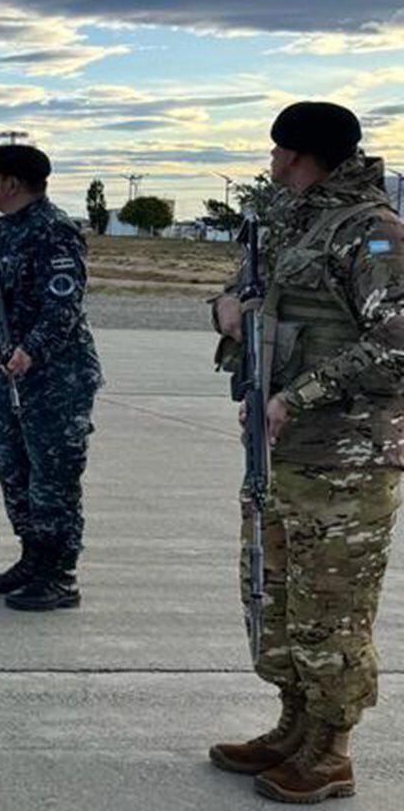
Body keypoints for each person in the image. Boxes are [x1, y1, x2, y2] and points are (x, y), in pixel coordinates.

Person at [206, 102, 403, 803]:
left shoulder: (373, 232)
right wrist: (229, 312)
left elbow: (396, 346)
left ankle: (332, 750)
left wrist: (300, 395)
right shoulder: (294, 224)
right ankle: (293, 725)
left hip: (343, 463)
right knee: (277, 600)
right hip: (281, 456)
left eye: (275, 150)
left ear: (294, 154)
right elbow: (257, 302)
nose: (269, 162)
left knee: (333, 612)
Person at [0, 145, 100, 611]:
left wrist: (30, 351)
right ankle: (32, 558)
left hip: (53, 380)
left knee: (53, 480)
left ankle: (60, 575)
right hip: (9, 378)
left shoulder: (54, 231)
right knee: (15, 474)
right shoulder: (3, 232)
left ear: (13, 184)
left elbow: (63, 304)